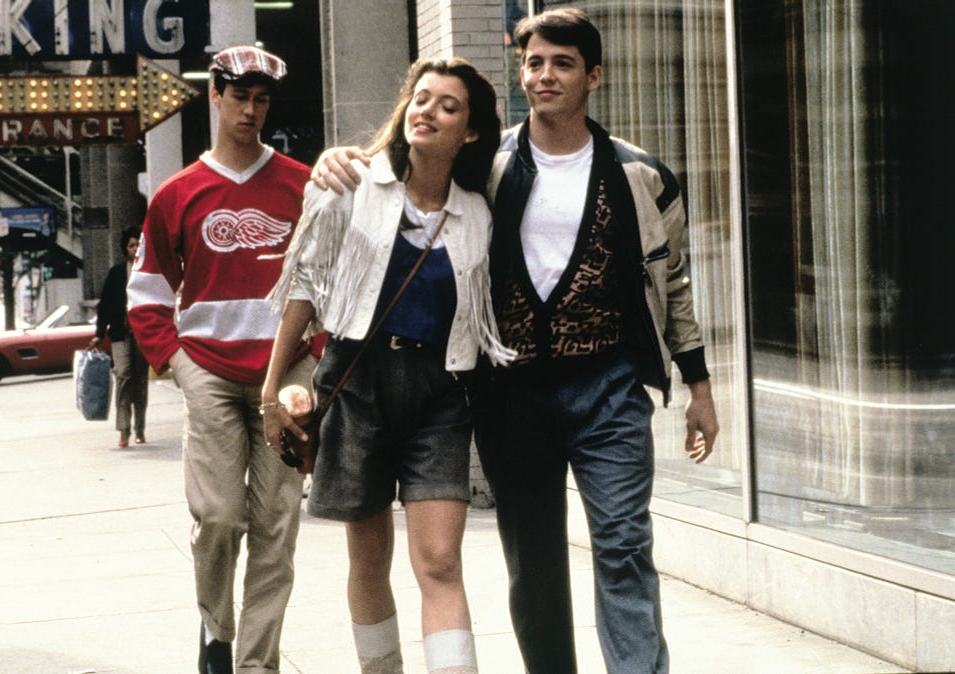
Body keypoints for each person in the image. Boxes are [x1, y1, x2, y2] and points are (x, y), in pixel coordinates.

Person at [311, 8, 720, 674]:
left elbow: (671, 286)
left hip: (608, 388)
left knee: (622, 544)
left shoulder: (641, 176)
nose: (545, 75)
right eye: (534, 63)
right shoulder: (488, 169)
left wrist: (699, 386)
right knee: (533, 561)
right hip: (516, 396)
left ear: (594, 76)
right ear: (520, 73)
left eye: (562, 63)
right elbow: (409, 176)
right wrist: (339, 161)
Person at [260, 58, 515, 674]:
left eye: (447, 106)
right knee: (369, 557)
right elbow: (304, 287)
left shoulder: (478, 215)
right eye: (420, 99)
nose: (427, 111)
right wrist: (273, 390)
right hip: (357, 384)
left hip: (440, 394)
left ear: (471, 132)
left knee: (439, 561)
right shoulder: (349, 185)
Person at [127, 45, 314, 674]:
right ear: (215, 95)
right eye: (240, 97)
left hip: (285, 373)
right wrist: (174, 361)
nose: (251, 111)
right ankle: (216, 629)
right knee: (219, 516)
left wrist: (313, 358)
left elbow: (331, 280)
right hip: (207, 367)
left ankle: (257, 663)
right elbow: (148, 292)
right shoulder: (177, 194)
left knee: (277, 523)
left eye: (262, 100)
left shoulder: (301, 185)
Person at [90, 226, 148, 447]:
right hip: (120, 334)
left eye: (139, 245)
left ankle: (140, 428)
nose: (136, 249)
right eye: (132, 245)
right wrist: (98, 334)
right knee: (123, 376)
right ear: (126, 248)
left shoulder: (149, 272)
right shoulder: (116, 273)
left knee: (140, 381)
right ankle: (124, 430)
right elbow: (105, 306)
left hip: (143, 334)